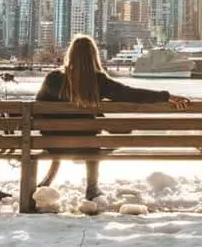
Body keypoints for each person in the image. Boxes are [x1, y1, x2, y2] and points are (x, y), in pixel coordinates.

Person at [35, 35, 190, 199]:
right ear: (93, 56)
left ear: (70, 54)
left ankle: (51, 182)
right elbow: (130, 93)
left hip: (53, 144)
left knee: (89, 136)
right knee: (95, 140)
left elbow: (38, 107)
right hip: (88, 146)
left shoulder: (53, 78)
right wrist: (167, 96)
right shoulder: (99, 81)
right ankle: (92, 188)